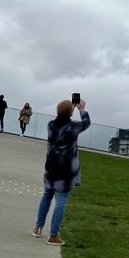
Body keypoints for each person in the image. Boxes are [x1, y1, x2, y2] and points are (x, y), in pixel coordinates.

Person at [32, 98, 90, 246]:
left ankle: (38, 227)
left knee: (47, 195)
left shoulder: (51, 125)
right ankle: (53, 235)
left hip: (51, 167)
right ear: (70, 112)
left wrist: (70, 108)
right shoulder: (73, 127)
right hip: (66, 170)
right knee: (62, 199)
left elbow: (62, 122)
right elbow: (86, 123)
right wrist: (81, 109)